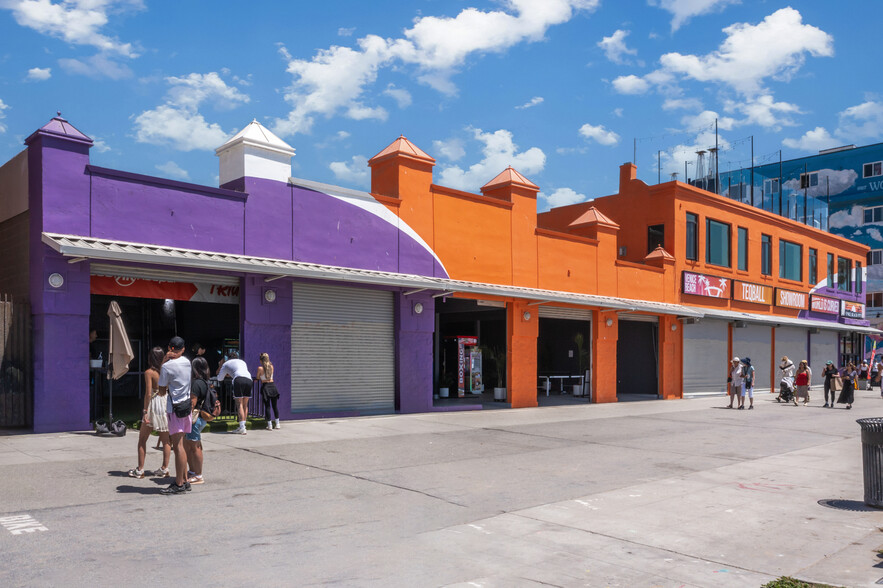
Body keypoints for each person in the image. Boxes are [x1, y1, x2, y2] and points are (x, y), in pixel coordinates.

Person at [128, 347, 171, 478]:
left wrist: (145, 411)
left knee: (142, 439)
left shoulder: (149, 372)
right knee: (166, 440)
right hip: (165, 402)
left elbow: (148, 393)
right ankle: (164, 468)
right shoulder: (167, 370)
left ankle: (140, 470)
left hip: (154, 403)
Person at [159, 336, 193, 495]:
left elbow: (161, 390)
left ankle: (179, 483)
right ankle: (184, 479)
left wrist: (164, 362)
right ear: (183, 349)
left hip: (175, 409)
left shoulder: (167, 367)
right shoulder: (187, 362)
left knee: (178, 447)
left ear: (169, 348)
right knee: (183, 445)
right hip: (186, 407)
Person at [184, 356, 217, 486]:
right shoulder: (204, 382)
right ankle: (193, 472)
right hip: (201, 418)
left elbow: (192, 403)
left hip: (195, 419)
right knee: (191, 445)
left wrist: (186, 418)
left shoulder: (196, 383)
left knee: (194, 446)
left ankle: (198, 475)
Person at [217, 350, 253, 435]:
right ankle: (243, 426)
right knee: (245, 404)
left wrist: (223, 369)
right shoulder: (242, 362)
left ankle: (242, 428)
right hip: (249, 379)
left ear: (228, 358)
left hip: (238, 379)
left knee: (239, 404)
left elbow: (219, 378)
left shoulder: (226, 364)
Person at [256, 352, 280, 429]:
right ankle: (277, 424)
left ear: (261, 360)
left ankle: (269, 425)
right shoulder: (271, 367)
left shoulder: (260, 368)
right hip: (273, 386)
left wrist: (258, 378)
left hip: (266, 386)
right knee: (275, 406)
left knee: (267, 406)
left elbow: (258, 377)